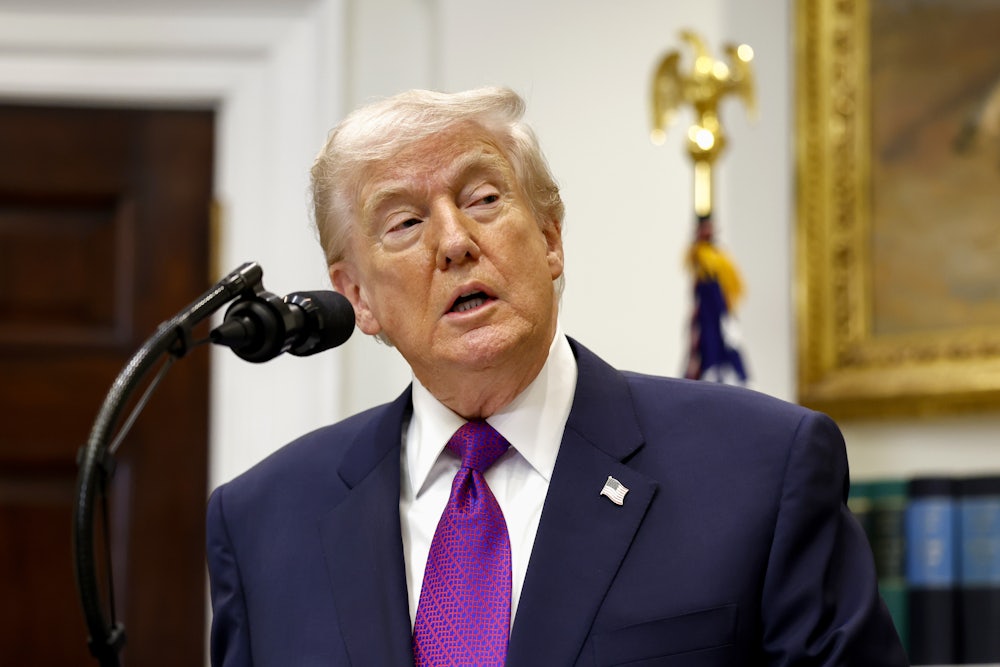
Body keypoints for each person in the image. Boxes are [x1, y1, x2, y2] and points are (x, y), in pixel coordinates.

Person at [206, 87, 908, 666]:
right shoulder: (266, 521)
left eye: (483, 199)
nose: (455, 242)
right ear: (356, 294)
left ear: (549, 239)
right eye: (405, 221)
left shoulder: (760, 468)